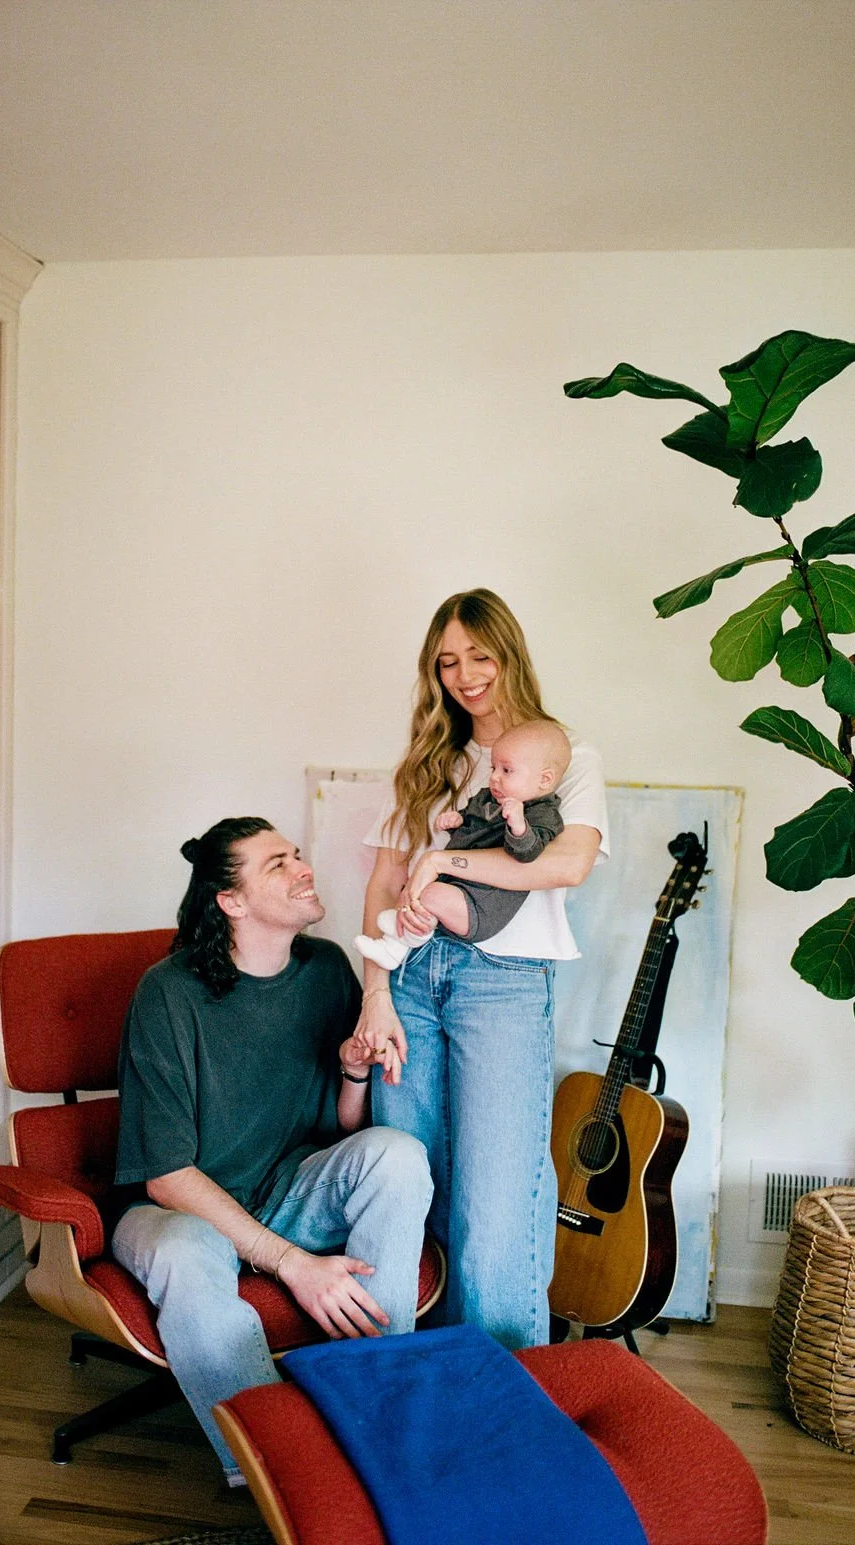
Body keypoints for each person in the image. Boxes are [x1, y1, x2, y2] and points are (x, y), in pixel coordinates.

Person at [112, 817, 433, 1488]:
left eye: (296, 854)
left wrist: (353, 1071)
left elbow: (344, 1132)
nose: (303, 868)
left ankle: (378, 1405)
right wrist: (293, 1264)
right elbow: (167, 1178)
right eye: (277, 864)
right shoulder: (167, 993)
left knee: (397, 1153)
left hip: (289, 1193)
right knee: (182, 1251)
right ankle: (278, 1471)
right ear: (231, 900)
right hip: (186, 1215)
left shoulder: (327, 969)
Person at [355, 589, 608, 1349]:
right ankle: (412, 1377)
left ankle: (505, 1386)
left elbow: (566, 863)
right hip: (409, 977)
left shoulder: (566, 755)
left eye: (479, 656)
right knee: (409, 1182)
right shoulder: (426, 763)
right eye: (447, 662)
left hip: (503, 982)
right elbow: (383, 883)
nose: (464, 675)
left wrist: (447, 860)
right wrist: (375, 994)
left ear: (510, 655)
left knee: (497, 1197)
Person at [354, 718, 570, 969]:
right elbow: (470, 827)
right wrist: (457, 820)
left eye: (507, 770)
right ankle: (394, 946)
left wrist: (519, 827)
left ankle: (400, 944)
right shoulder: (486, 798)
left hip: (483, 906)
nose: (494, 778)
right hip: (457, 887)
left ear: (544, 780)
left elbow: (528, 854)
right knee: (421, 892)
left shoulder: (543, 814)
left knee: (429, 894)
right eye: (493, 768)